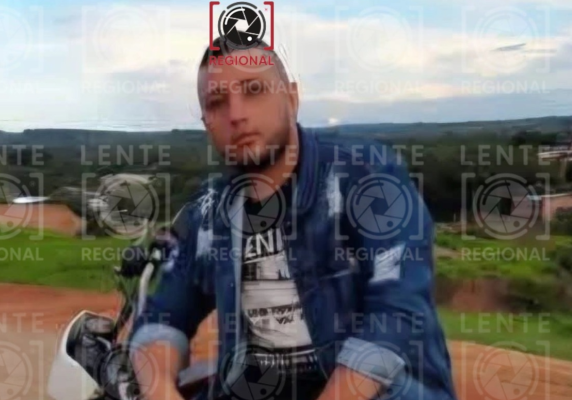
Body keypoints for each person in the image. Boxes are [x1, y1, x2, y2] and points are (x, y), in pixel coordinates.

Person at [128, 36, 458, 400]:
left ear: (292, 98)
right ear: (207, 122)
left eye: (254, 90)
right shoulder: (208, 213)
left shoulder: (365, 174)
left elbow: (397, 311)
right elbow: (163, 317)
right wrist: (159, 390)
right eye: (216, 102)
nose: (236, 114)